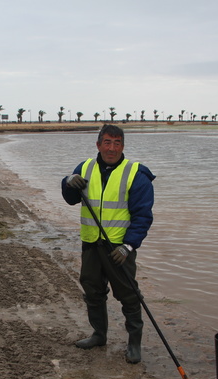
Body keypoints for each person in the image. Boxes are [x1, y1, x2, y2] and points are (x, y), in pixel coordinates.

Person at [61, 124, 155, 364]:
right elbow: (71, 198)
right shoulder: (85, 168)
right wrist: (68, 181)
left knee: (129, 295)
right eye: (107, 142)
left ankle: (134, 344)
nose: (111, 148)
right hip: (91, 243)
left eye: (117, 143)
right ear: (98, 144)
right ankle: (99, 335)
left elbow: (143, 217)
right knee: (92, 291)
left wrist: (129, 246)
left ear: (123, 146)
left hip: (118, 248)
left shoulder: (136, 173)